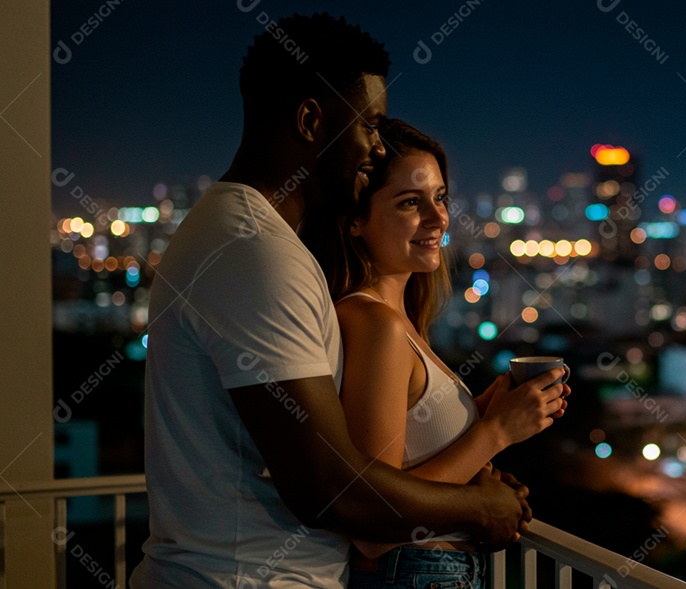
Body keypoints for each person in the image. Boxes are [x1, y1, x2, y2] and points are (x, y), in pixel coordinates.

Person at [130, 14, 527, 589]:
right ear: (312, 120)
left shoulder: (239, 233)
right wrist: (478, 508)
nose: (375, 146)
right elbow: (331, 486)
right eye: (369, 125)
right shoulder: (256, 252)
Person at [302, 119, 570, 589]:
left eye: (440, 198)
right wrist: (495, 432)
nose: (438, 218)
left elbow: (408, 464)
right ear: (355, 221)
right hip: (412, 574)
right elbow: (374, 524)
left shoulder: (398, 322)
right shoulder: (375, 324)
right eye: (410, 202)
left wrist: (480, 413)